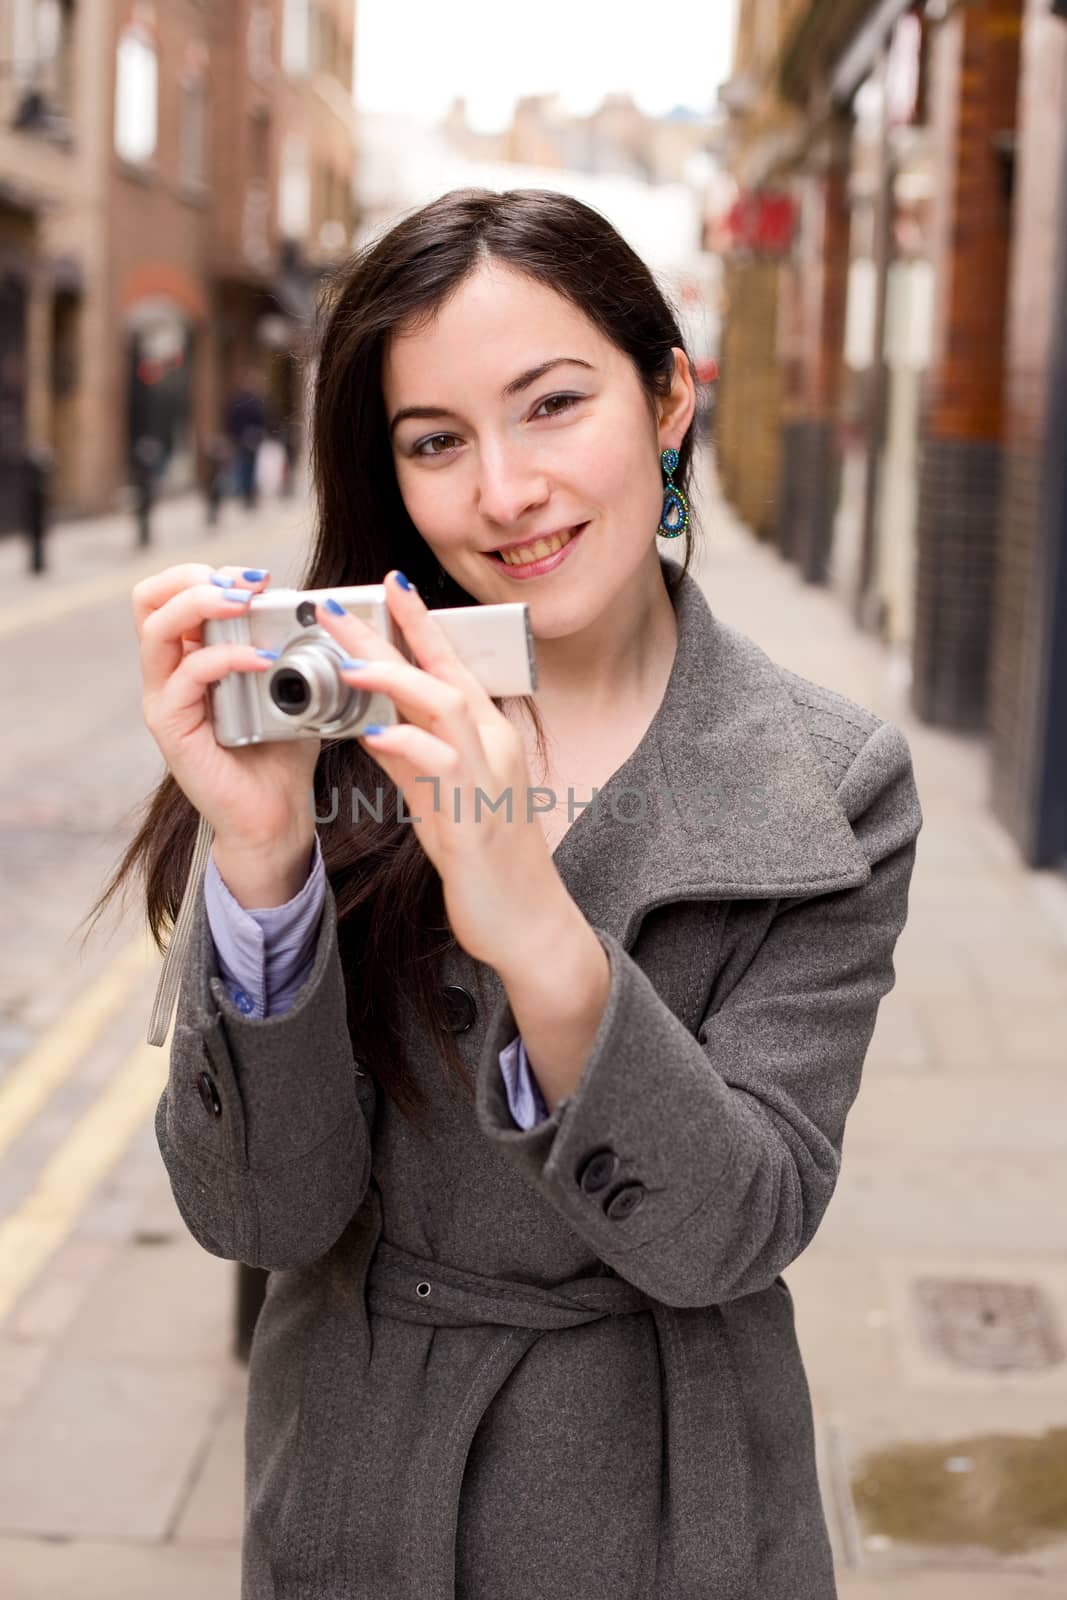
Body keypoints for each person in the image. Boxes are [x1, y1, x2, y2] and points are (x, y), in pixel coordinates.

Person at [90, 189, 922, 1598]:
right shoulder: (332, 733)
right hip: (356, 1492)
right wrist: (263, 858)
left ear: (667, 400)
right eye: (435, 442)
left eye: (551, 406)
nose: (503, 492)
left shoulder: (829, 781)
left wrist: (534, 929)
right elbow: (256, 1223)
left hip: (672, 1501)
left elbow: (736, 1226)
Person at [224, 370, 269, 510]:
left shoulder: (238, 401)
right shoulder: (255, 401)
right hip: (252, 438)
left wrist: (232, 435)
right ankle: (248, 495)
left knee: (244, 466)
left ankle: (245, 494)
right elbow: (262, 419)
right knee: (249, 467)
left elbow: (230, 420)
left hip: (241, 439)